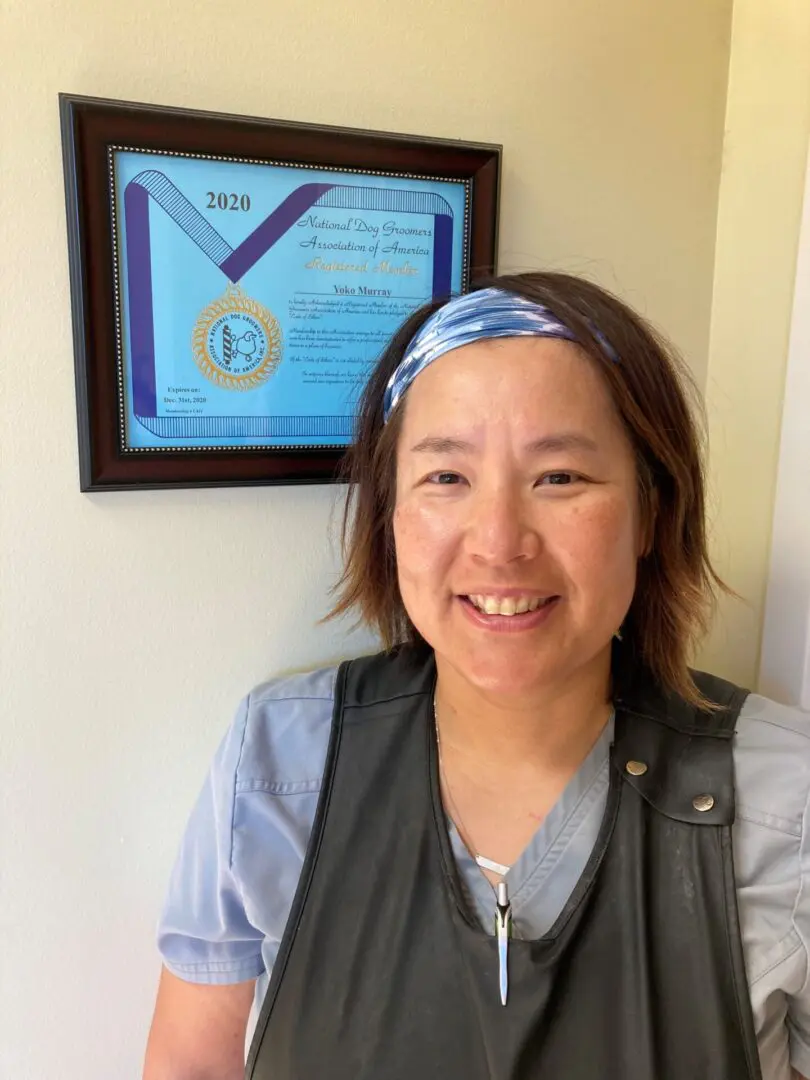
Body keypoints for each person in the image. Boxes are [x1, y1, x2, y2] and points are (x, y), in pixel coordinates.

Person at [143, 273, 810, 1080]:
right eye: (446, 478)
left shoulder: (786, 799)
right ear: (392, 517)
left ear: (652, 514)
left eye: (559, 477)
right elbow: (191, 1064)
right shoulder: (279, 759)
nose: (499, 543)